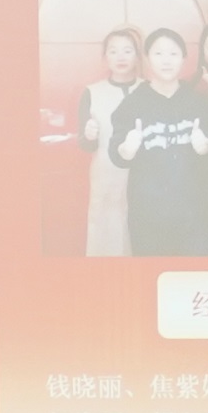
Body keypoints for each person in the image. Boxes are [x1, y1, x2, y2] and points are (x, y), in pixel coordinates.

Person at [110, 33, 208, 256]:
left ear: (184, 59)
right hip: (147, 214)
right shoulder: (133, 103)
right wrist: (126, 150)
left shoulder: (197, 102)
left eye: (173, 54)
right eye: (159, 54)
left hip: (193, 214)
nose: (166, 60)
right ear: (147, 59)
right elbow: (116, 153)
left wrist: (206, 147)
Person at [80, 26, 139, 259]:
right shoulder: (92, 92)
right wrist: (89, 136)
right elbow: (85, 145)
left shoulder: (147, 88)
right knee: (106, 238)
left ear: (137, 55)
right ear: (105, 57)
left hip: (143, 177)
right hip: (106, 175)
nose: (121, 57)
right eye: (113, 51)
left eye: (127, 50)